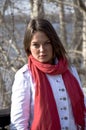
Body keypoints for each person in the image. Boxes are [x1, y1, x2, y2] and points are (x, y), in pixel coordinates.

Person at [10, 18, 86, 130]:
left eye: (47, 43)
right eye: (36, 45)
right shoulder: (24, 76)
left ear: (54, 43)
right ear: (29, 48)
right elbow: (18, 124)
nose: (42, 50)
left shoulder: (70, 70)